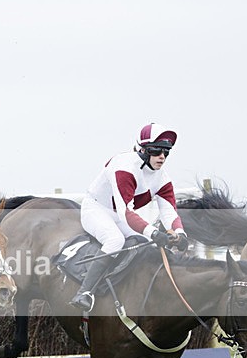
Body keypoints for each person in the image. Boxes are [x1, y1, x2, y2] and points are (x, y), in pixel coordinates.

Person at [69, 122, 189, 311]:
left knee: (142, 242)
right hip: (97, 209)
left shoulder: (162, 178)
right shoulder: (124, 166)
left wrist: (180, 233)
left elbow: (169, 211)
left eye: (166, 152)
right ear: (142, 149)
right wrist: (154, 233)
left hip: (119, 214)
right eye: (157, 151)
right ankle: (85, 292)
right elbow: (125, 212)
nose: (162, 157)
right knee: (115, 240)